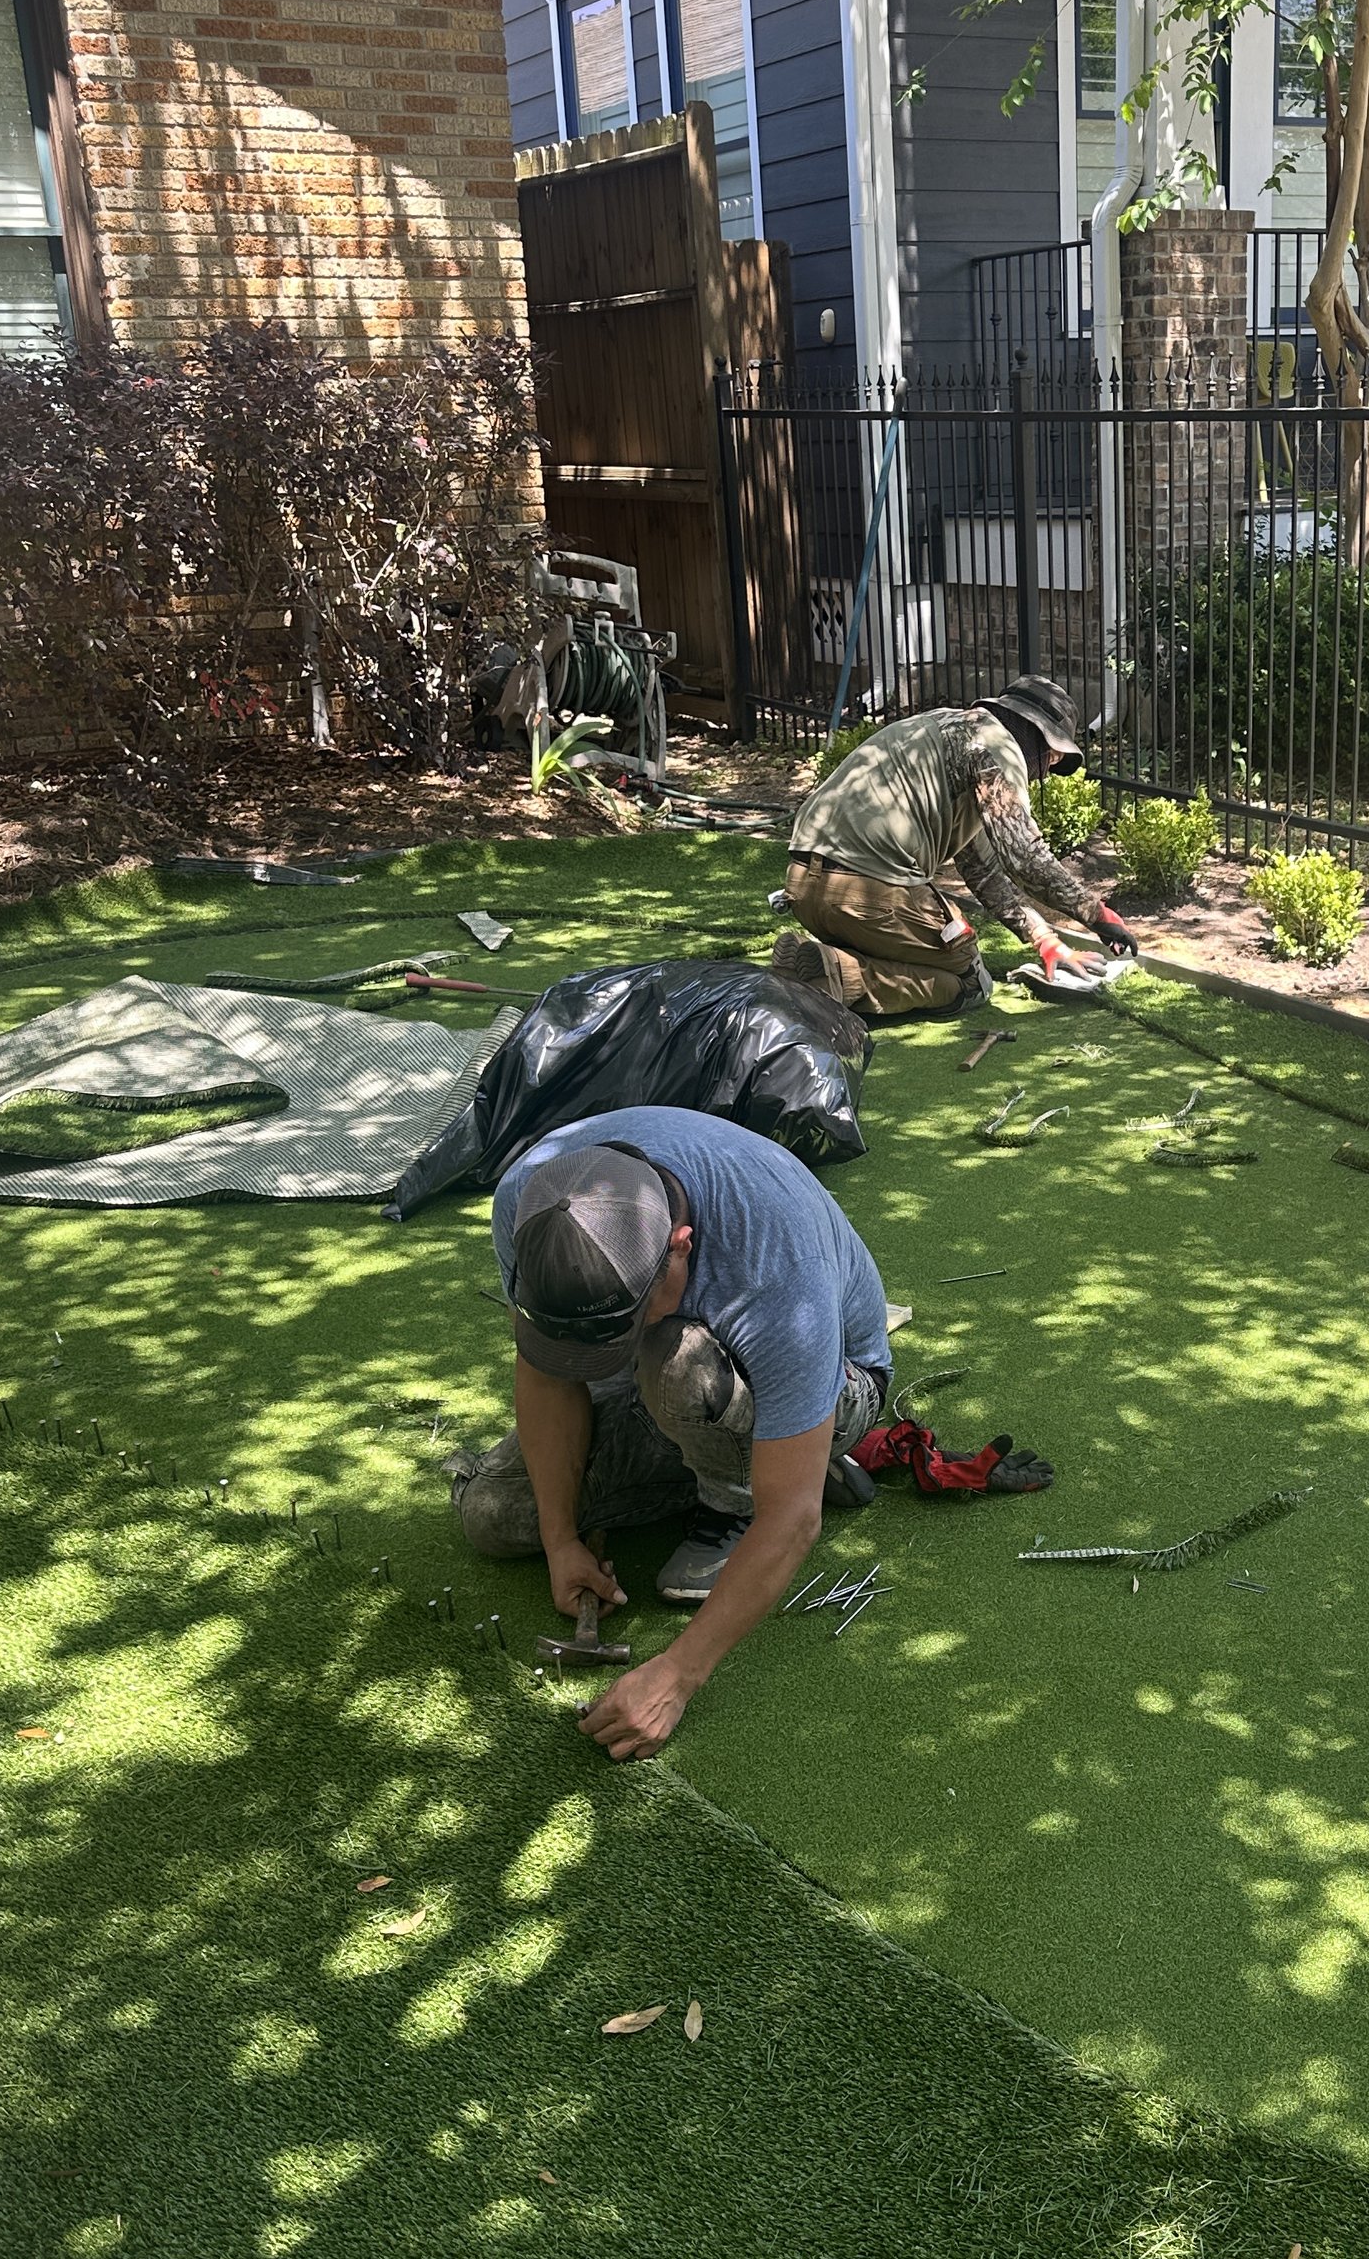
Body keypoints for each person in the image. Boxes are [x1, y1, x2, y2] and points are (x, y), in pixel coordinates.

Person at [479, 1105, 893, 1761]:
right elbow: (548, 1373)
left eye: (623, 1322)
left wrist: (675, 1676)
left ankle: (759, 1481)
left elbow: (793, 1520)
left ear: (681, 1245)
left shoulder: (774, 1260)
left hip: (838, 1382)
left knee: (674, 1361)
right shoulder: (530, 1205)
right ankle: (753, 1452)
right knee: (493, 1513)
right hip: (665, 1377)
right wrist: (561, 1540)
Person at [771, 672, 1138, 1017]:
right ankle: (840, 974)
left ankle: (816, 961)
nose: (1046, 770)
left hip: (802, 887)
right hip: (867, 895)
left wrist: (1045, 939)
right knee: (969, 979)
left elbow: (983, 872)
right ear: (1036, 735)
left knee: (909, 942)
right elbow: (1026, 858)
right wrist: (1097, 915)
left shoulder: (946, 730)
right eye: (1053, 756)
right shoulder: (999, 750)